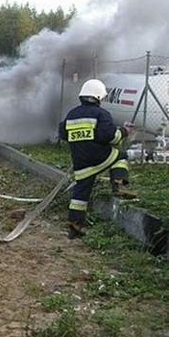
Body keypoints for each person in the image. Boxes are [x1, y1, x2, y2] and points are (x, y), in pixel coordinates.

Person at [59, 79, 137, 240]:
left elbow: (63, 134)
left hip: (80, 161)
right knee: (120, 156)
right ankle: (119, 184)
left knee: (80, 192)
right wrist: (124, 131)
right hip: (98, 157)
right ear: (98, 97)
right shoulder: (101, 114)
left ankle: (75, 225)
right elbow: (109, 137)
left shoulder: (72, 114)